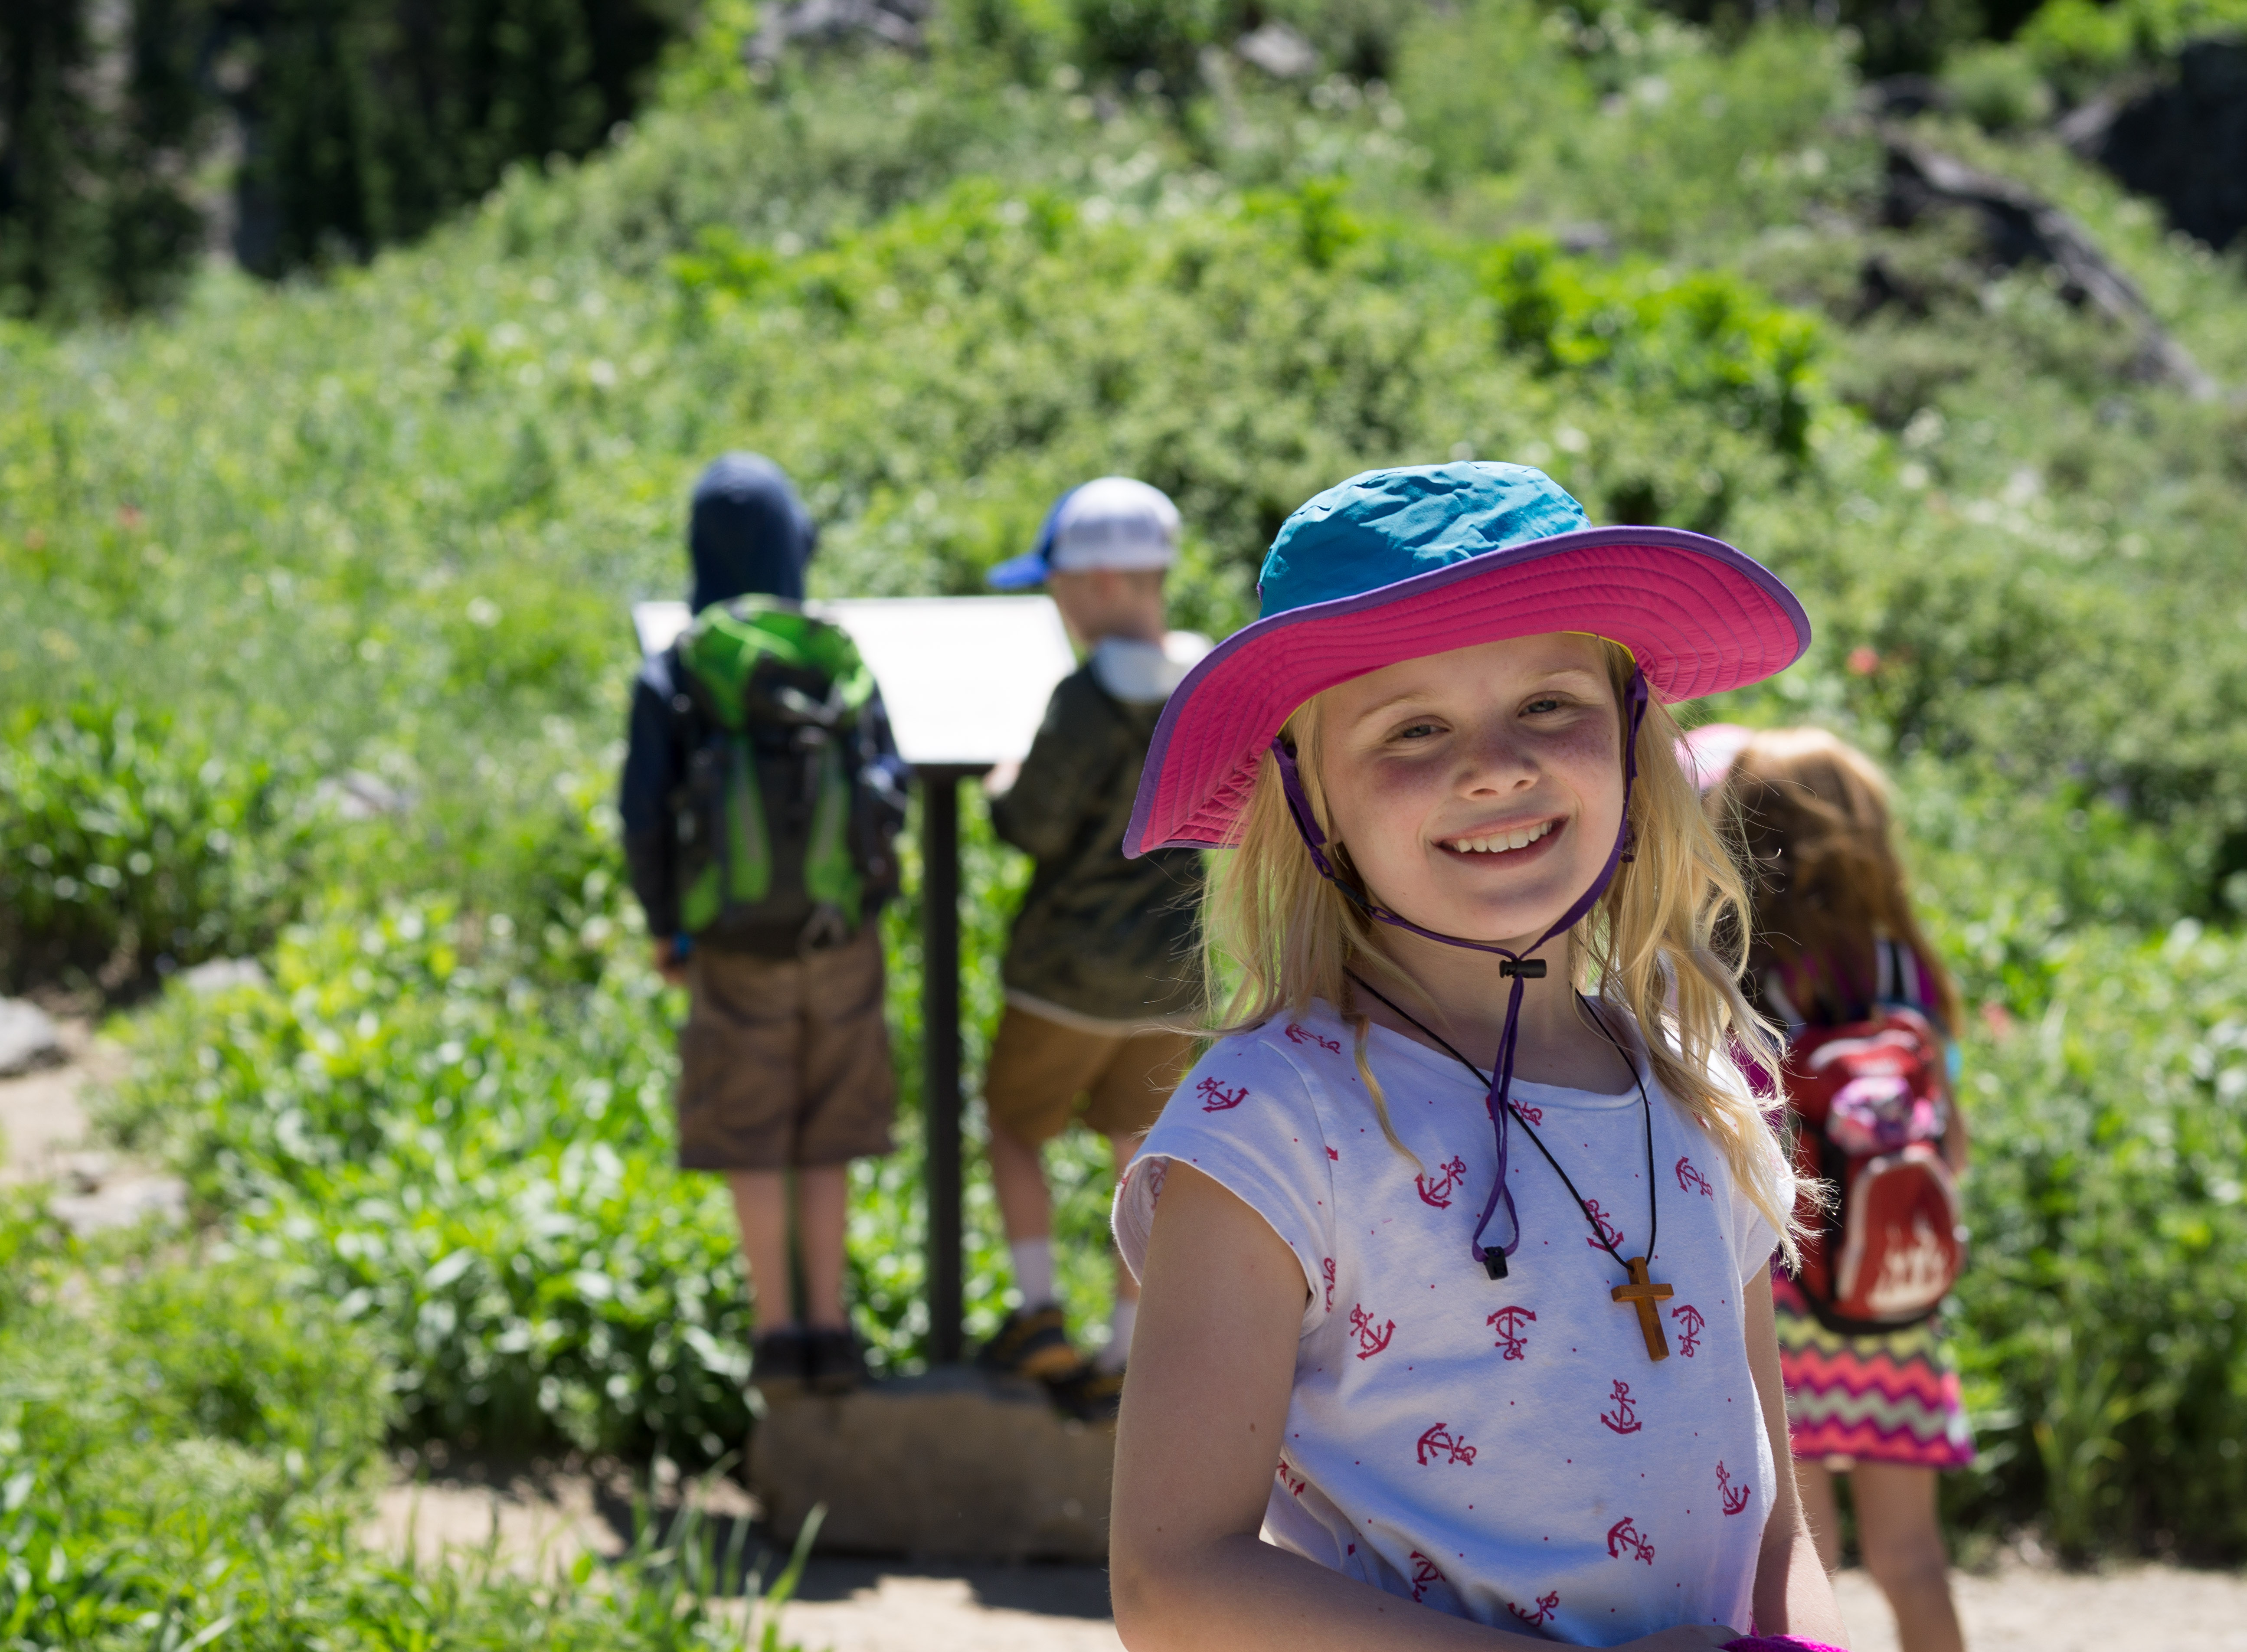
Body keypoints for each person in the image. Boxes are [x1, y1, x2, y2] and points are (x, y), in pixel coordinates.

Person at [1104, 461, 1848, 1649]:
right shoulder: (1269, 1124)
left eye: (1549, 705)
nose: (1494, 765)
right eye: (1412, 728)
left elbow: (1771, 1531)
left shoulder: (1703, 1094)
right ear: (1311, 801)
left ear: (1631, 735)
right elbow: (1170, 1580)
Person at [619, 452, 908, 1396]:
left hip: (729, 940)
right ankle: (833, 1326)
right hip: (838, 937)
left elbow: (644, 814)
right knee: (827, 1132)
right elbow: (889, 788)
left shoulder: (676, 669)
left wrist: (669, 928)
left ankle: (775, 1334)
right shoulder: (831, 654)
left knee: (752, 1132)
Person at [1707, 727, 1973, 1652]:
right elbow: (1952, 1143)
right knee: (1911, 1557)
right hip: (1888, 1295)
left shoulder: (1741, 971)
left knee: (1792, 1561)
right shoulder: (1903, 969)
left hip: (1778, 1291)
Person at [973, 476, 1210, 1420]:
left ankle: (1038, 1314)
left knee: (1011, 1126)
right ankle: (1125, 1346)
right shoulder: (1203, 687)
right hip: (1167, 979)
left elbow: (1033, 825)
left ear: (1105, 582)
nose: (1058, 605)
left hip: (1064, 973)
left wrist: (1004, 781)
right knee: (1139, 1152)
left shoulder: (1082, 698)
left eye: (1063, 586)